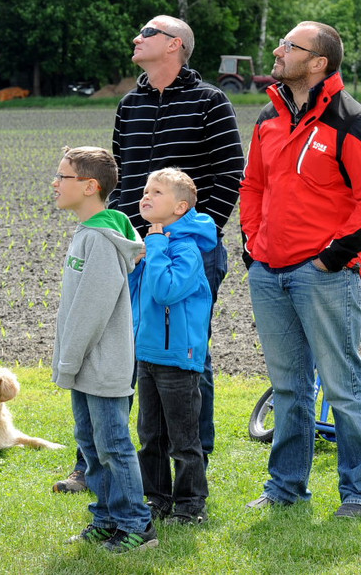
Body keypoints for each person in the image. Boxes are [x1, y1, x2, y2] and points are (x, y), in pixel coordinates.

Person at [53, 14, 244, 493]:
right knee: (113, 350)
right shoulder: (129, 104)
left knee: (188, 356)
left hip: (186, 253)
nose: (136, 39)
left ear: (174, 44)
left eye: (147, 33)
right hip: (130, 252)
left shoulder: (210, 102)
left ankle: (191, 471)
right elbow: (119, 179)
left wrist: (190, 238)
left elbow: (229, 176)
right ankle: (96, 464)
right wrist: (122, 236)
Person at [240, 21, 361, 519]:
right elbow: (253, 186)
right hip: (268, 272)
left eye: (289, 46)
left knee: (342, 387)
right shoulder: (268, 116)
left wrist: (330, 257)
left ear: (318, 62)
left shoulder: (354, 121)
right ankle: (285, 488)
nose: (278, 51)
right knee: (288, 389)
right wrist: (253, 245)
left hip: (324, 276)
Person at [51, 146, 158, 553]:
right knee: (91, 444)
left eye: (63, 176)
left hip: (101, 363)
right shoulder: (88, 233)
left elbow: (90, 310)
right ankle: (106, 517)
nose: (55, 183)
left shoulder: (99, 240)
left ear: (89, 186)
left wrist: (68, 360)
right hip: (85, 363)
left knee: (112, 444)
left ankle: (136, 525)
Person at [130, 168, 215, 525]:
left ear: (180, 207)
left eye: (157, 192)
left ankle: (191, 504)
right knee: (150, 435)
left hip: (178, 359)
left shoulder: (185, 249)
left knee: (183, 438)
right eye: (146, 190)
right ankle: (157, 498)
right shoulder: (155, 244)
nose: (146, 196)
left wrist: (155, 246)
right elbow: (138, 296)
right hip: (147, 354)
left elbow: (166, 291)